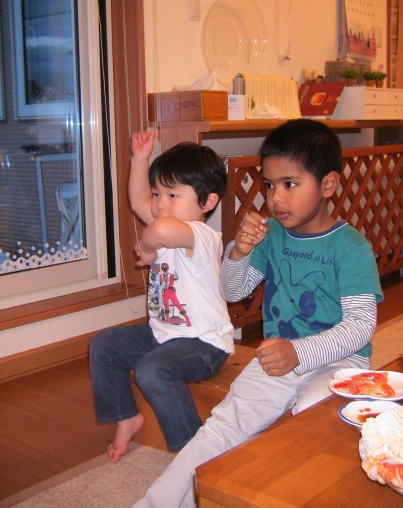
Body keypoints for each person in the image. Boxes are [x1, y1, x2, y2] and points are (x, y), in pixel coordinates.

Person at [133, 119, 383, 507]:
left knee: (315, 416)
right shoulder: (272, 234)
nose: (275, 198)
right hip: (276, 358)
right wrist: (239, 252)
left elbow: (361, 325)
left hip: (341, 362)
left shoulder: (350, 246)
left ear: (328, 185)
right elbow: (233, 291)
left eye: (290, 184)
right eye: (269, 185)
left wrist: (299, 352)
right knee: (222, 427)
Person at [89, 131, 234, 462]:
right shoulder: (167, 221)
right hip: (162, 335)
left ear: (207, 202)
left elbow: (159, 231)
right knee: (103, 346)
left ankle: (193, 451)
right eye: (157, 193)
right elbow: (138, 202)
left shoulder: (201, 235)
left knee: (151, 371)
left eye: (172, 195)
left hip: (204, 344)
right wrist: (140, 159)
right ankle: (126, 417)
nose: (159, 203)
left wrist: (148, 249)